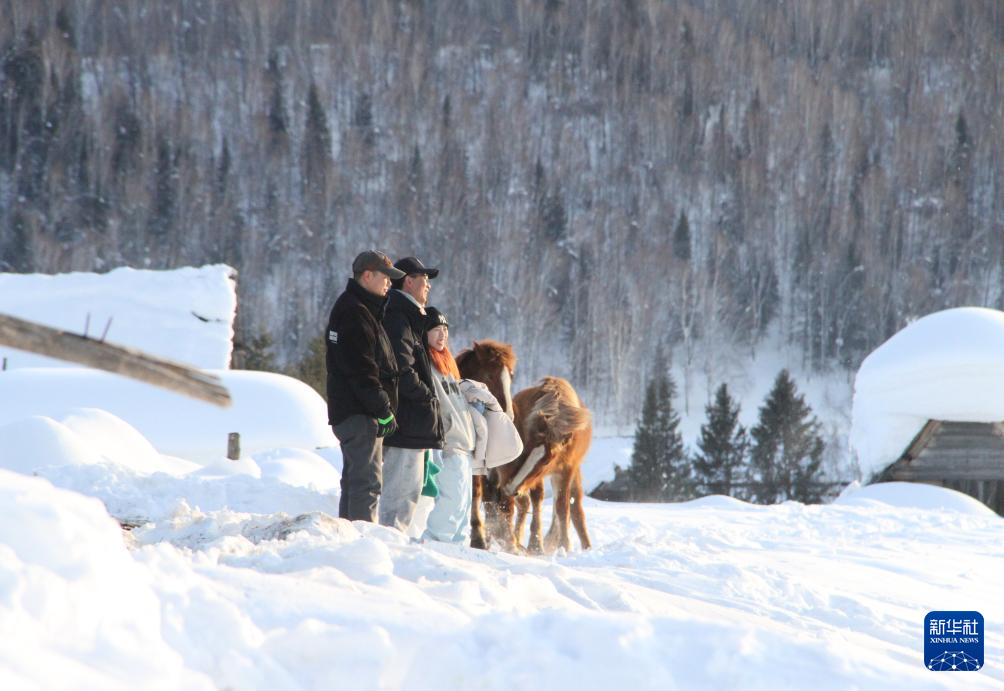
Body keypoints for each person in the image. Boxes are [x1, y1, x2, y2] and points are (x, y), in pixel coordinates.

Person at [325, 250, 405, 522]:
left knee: (355, 481)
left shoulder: (360, 308)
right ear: (367, 275)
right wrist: (382, 409)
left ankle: (349, 535)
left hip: (356, 411)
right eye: (385, 277)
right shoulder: (355, 312)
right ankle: (360, 542)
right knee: (366, 483)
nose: (389, 284)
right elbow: (361, 371)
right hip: (360, 414)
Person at [380, 256, 445, 532]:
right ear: (408, 281)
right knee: (399, 496)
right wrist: (426, 397)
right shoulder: (398, 318)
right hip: (406, 422)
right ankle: (385, 546)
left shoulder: (408, 317)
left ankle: (392, 543)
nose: (428, 286)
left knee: (409, 493)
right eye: (424, 280)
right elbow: (401, 369)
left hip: (413, 422)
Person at [422, 307, 476, 543]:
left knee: (463, 507)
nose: (442, 334)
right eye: (436, 329)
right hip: (448, 445)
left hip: (464, 445)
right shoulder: (427, 364)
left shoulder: (448, 365)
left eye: (445, 329)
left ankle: (457, 550)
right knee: (450, 501)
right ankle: (434, 545)